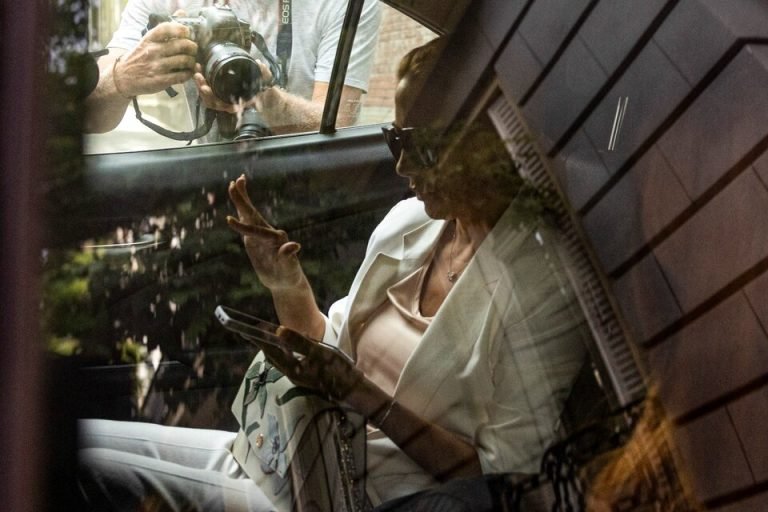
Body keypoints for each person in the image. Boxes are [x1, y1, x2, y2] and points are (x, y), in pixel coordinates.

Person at [78, 38, 590, 511]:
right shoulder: (410, 223)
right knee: (79, 441)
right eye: (394, 138)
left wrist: (361, 395)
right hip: (293, 454)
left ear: (484, 146)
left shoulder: (542, 287)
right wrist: (287, 285)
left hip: (356, 496)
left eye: (420, 146)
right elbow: (329, 353)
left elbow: (503, 479)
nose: (401, 167)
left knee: (84, 468)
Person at [84, 0, 380, 138]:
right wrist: (123, 77)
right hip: (207, 175)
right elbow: (89, 117)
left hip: (304, 183)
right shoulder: (160, 4)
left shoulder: (348, 4)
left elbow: (339, 125)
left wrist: (265, 101)